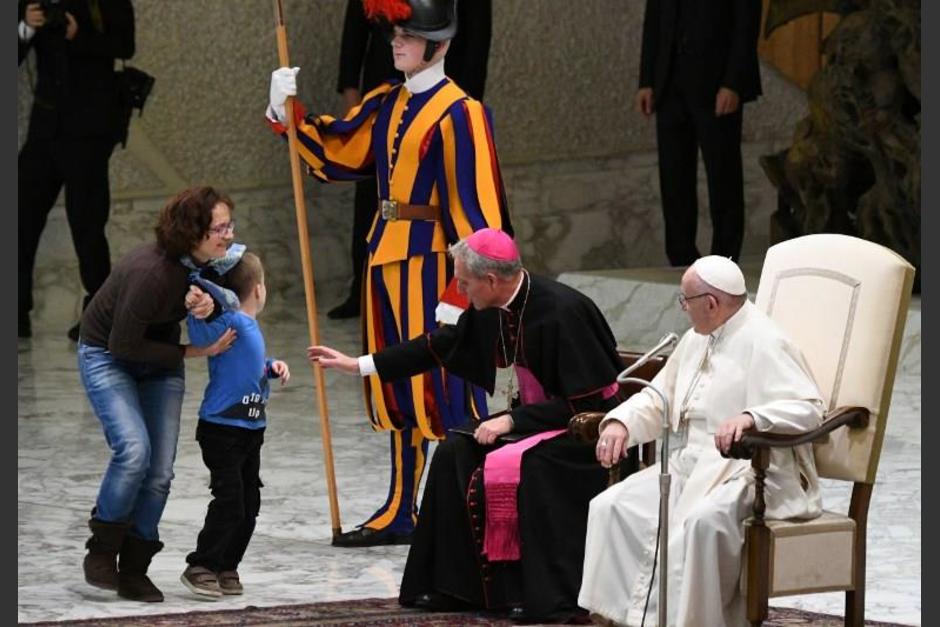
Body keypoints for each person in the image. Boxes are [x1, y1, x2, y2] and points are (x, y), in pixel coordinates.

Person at [267, 0, 512, 547]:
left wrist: (461, 292)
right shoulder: (387, 101)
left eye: (408, 35)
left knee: (449, 393)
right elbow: (336, 155)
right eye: (395, 33)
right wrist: (288, 112)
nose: (395, 43)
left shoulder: (460, 112)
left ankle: (464, 507)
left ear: (441, 44)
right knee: (395, 385)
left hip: (434, 269)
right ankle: (403, 507)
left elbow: (479, 216)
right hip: (385, 262)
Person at [308, 229, 637, 622]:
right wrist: (361, 365)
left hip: (589, 432)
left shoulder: (563, 311)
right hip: (538, 423)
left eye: (464, 283)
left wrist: (511, 419)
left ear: (491, 281)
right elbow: (440, 344)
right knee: (455, 450)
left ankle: (536, 595)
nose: (460, 292)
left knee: (530, 467)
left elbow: (585, 401)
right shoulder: (494, 306)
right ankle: (456, 588)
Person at [578, 256, 825, 626]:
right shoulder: (697, 339)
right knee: (611, 506)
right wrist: (621, 424)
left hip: (746, 471)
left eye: (685, 301)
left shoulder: (767, 340)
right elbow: (659, 396)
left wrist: (752, 417)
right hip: (686, 465)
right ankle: (623, 620)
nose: (682, 309)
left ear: (711, 303)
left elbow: (808, 409)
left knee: (700, 525)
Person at [77, 186, 239, 602]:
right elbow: (122, 346)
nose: (228, 234)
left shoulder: (210, 263)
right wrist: (196, 351)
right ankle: (103, 548)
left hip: (159, 361)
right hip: (108, 354)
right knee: (133, 452)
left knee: (160, 473)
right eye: (219, 227)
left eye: (229, 224)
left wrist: (212, 306)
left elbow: (239, 289)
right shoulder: (152, 272)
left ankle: (134, 568)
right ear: (193, 232)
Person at [328, 0, 492, 320]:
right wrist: (350, 87)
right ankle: (362, 287)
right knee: (373, 195)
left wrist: (467, 105)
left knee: (446, 196)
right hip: (384, 86)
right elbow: (356, 25)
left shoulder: (460, 113)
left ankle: (455, 287)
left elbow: (477, 40)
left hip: (443, 91)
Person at [18, 0, 135, 340]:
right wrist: (25, 25)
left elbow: (125, 46)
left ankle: (99, 314)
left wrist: (78, 35)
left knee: (87, 223)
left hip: (88, 130)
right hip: (45, 127)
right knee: (21, 217)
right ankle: (16, 310)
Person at [180, 252, 291, 600]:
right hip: (221, 429)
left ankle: (227, 565)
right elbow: (201, 328)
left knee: (249, 503)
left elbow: (248, 366)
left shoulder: (249, 328)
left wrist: (271, 367)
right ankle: (200, 564)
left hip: (250, 430)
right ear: (259, 290)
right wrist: (199, 293)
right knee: (230, 499)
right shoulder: (233, 322)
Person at [636, 0, 762, 266]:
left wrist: (733, 84)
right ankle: (681, 260)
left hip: (717, 87)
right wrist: (646, 80)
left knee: (723, 179)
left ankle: (724, 262)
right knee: (673, 180)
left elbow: (746, 25)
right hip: (668, 87)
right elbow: (654, 20)